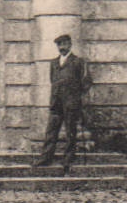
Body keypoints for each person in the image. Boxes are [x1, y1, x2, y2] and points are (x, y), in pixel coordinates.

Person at [31, 34, 92, 173]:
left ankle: (68, 158)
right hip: (56, 102)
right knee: (51, 131)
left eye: (64, 44)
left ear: (70, 45)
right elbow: (53, 81)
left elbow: (87, 81)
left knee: (71, 131)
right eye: (59, 45)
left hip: (71, 103)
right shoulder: (53, 63)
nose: (62, 47)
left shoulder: (78, 62)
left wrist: (76, 95)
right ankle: (46, 157)